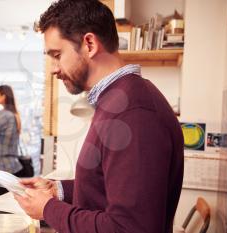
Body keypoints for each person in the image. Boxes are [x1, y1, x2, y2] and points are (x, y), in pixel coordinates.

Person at [14, 0, 184, 233]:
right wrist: (57, 190)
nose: (53, 68)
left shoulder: (133, 112)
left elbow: (130, 228)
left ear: (90, 44)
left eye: (57, 54)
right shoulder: (119, 99)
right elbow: (112, 187)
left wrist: (49, 209)